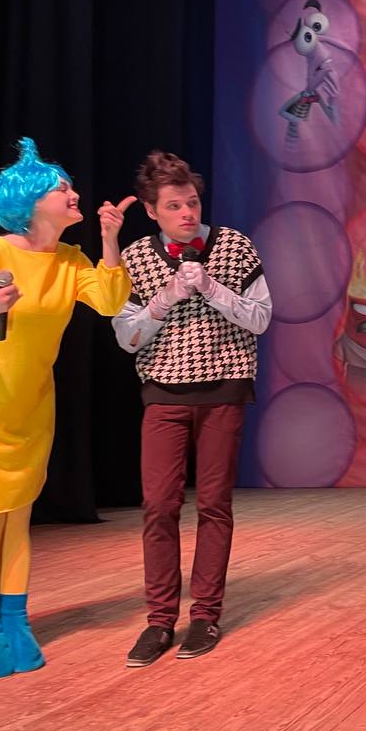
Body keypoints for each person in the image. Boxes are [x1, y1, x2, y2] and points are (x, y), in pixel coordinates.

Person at [0, 137, 133, 678]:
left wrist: (110, 240)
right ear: (30, 200)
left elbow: (111, 301)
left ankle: (15, 620)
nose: (74, 193)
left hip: (29, 408)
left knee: (18, 518)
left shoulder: (70, 260)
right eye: (61, 187)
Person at [112, 152, 271, 667]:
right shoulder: (137, 256)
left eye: (193, 203)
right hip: (163, 392)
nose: (187, 213)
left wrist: (211, 288)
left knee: (214, 505)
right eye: (174, 206)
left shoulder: (235, 246)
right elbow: (127, 337)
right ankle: (160, 620)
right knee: (158, 505)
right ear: (152, 211)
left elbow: (261, 319)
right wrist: (164, 299)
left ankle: (205, 614)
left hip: (224, 389)